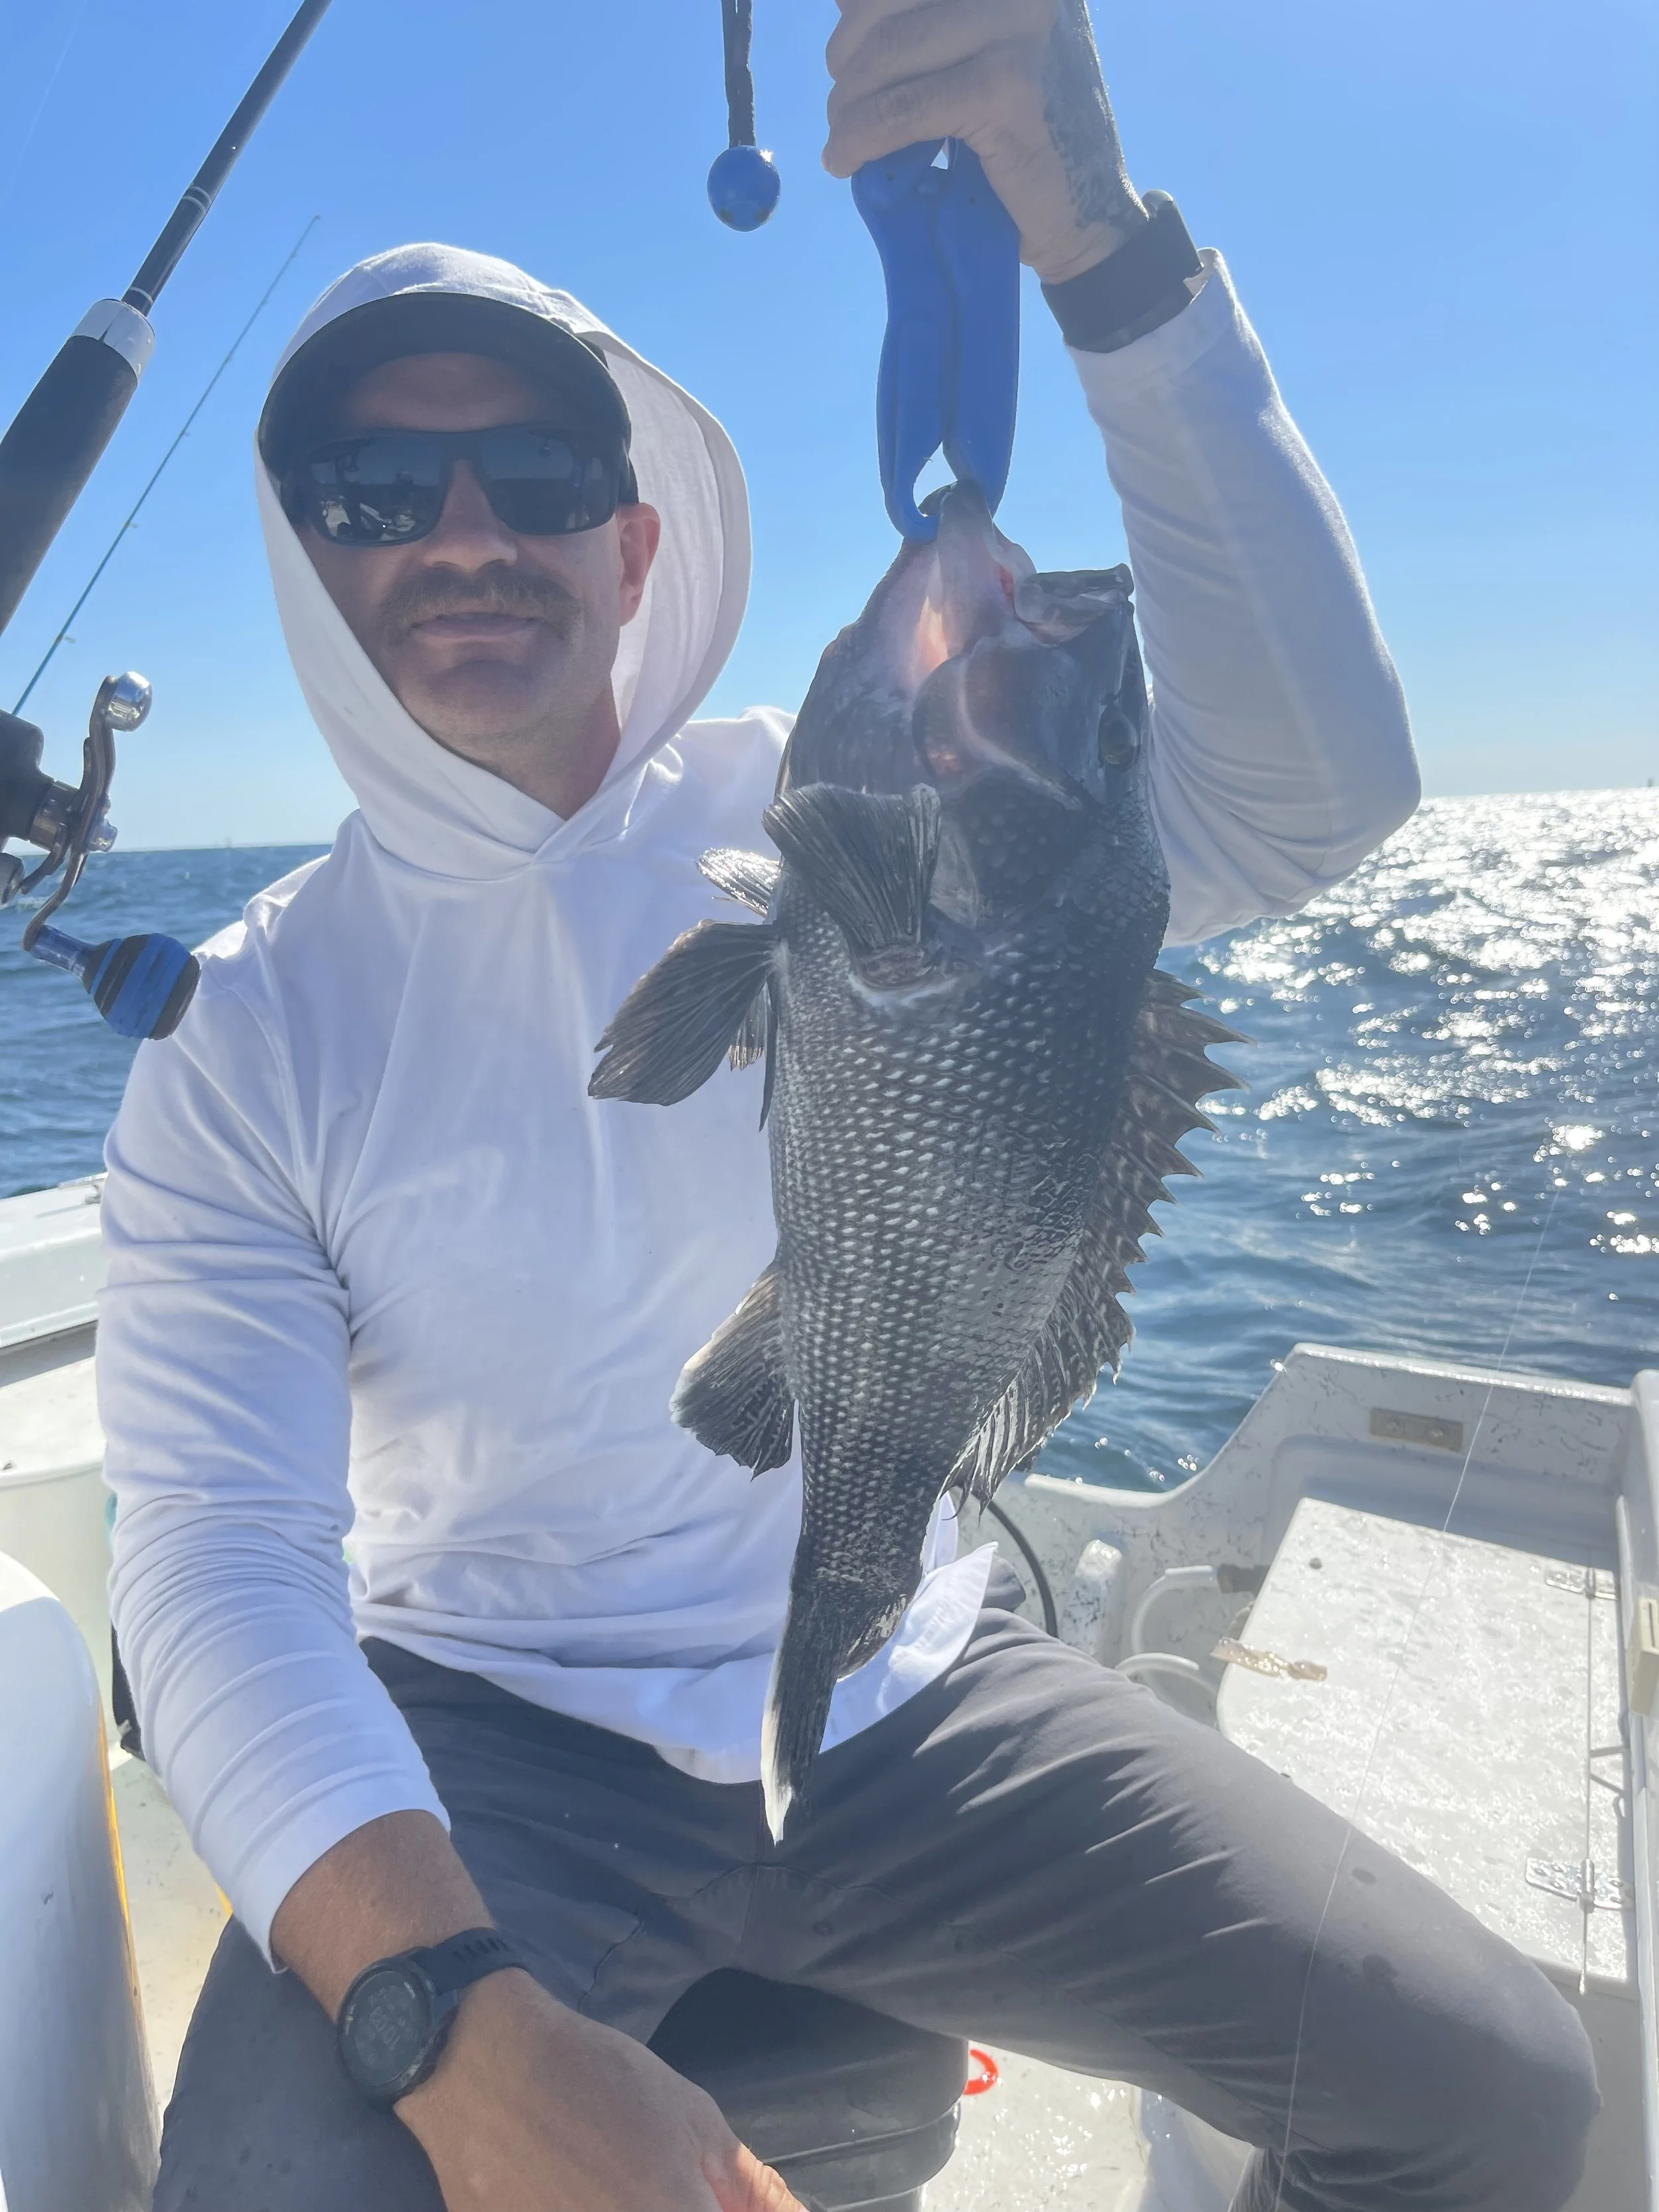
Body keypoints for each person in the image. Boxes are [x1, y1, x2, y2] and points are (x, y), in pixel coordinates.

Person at [100, 3, 1597, 2209]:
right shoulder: (242, 1032)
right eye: (372, 493)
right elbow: (220, 1562)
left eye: (533, 478)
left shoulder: (842, 804)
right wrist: (457, 2020)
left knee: (1491, 2097)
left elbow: (1321, 789)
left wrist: (1099, 254)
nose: (460, 536)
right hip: (487, 1734)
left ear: (634, 535)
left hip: (917, 1688)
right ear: (310, 558)